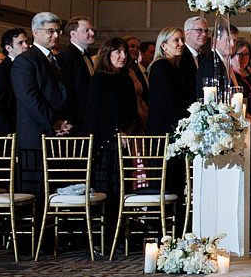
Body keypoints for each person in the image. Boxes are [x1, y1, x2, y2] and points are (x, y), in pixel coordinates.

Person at [13, 12, 70, 192]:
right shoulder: (25, 60)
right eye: (50, 31)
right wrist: (54, 122)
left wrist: (64, 121)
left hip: (57, 134)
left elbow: (63, 93)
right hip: (35, 134)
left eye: (58, 31)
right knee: (36, 191)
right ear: (36, 32)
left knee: (57, 188)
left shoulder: (58, 60)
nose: (56, 35)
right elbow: (30, 98)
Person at [82, 37, 139, 198]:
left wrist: (127, 131)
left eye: (125, 52)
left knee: (123, 187)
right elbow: (97, 114)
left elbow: (131, 111)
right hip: (104, 142)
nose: (123, 56)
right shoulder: (99, 79)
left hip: (124, 139)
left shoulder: (126, 79)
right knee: (105, 188)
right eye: (118, 52)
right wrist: (116, 132)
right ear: (107, 54)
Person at [145, 27, 186, 136]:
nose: (181, 44)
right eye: (176, 40)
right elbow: (166, 101)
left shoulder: (173, 66)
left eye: (182, 40)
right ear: (163, 45)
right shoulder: (161, 66)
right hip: (163, 130)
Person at [57, 16, 95, 130]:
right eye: (87, 30)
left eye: (92, 29)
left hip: (87, 117)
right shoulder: (66, 56)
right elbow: (66, 90)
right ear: (73, 34)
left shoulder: (86, 56)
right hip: (75, 120)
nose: (92, 33)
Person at [0, 28, 27, 135]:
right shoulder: (1, 71)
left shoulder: (30, 67)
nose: (26, 46)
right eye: (20, 43)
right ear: (8, 48)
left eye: (26, 42)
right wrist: (7, 131)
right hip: (11, 131)